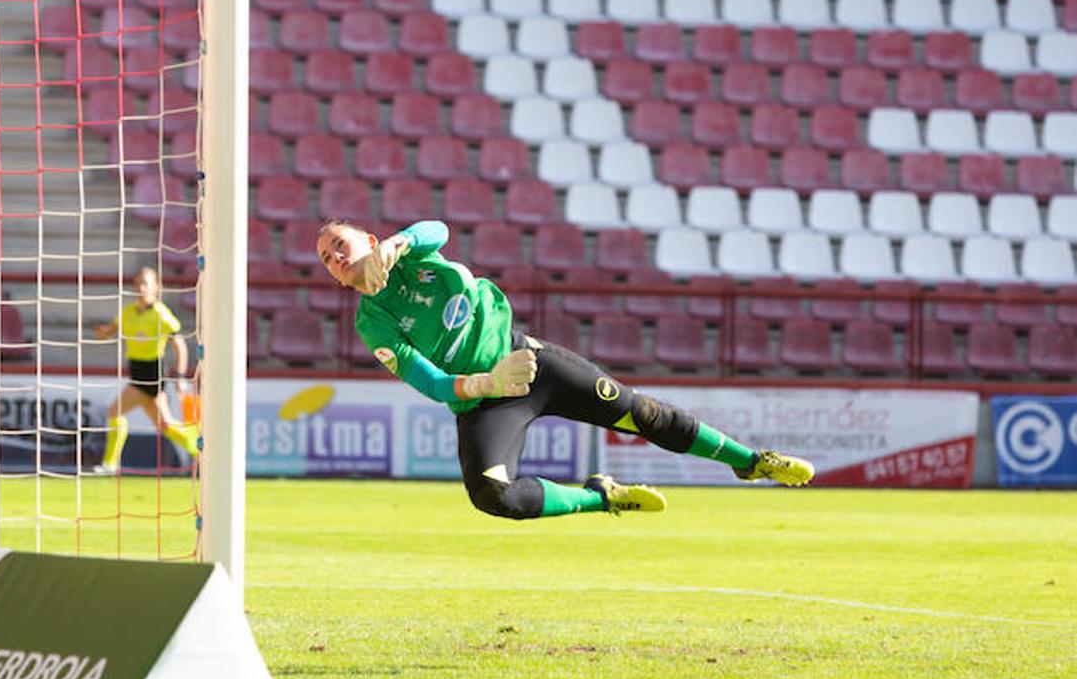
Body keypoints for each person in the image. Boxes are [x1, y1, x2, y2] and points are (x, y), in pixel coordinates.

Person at [314, 219, 813, 518]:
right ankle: (601, 498)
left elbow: (436, 229)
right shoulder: (372, 323)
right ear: (336, 279)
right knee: (492, 496)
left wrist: (398, 243)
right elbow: (428, 381)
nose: (336, 256)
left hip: (531, 362)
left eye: (341, 243)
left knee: (639, 412)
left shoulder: (411, 252)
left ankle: (750, 461)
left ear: (369, 240)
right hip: (486, 399)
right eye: (327, 258)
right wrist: (488, 382)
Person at [90, 266, 198, 474]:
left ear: (156, 287)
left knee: (114, 412)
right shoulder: (128, 312)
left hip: (152, 375)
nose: (141, 287)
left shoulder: (161, 314)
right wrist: (101, 332)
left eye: (146, 283)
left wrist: (181, 375)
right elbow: (110, 331)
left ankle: (110, 464)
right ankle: (199, 445)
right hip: (137, 372)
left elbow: (179, 345)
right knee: (165, 425)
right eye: (138, 283)